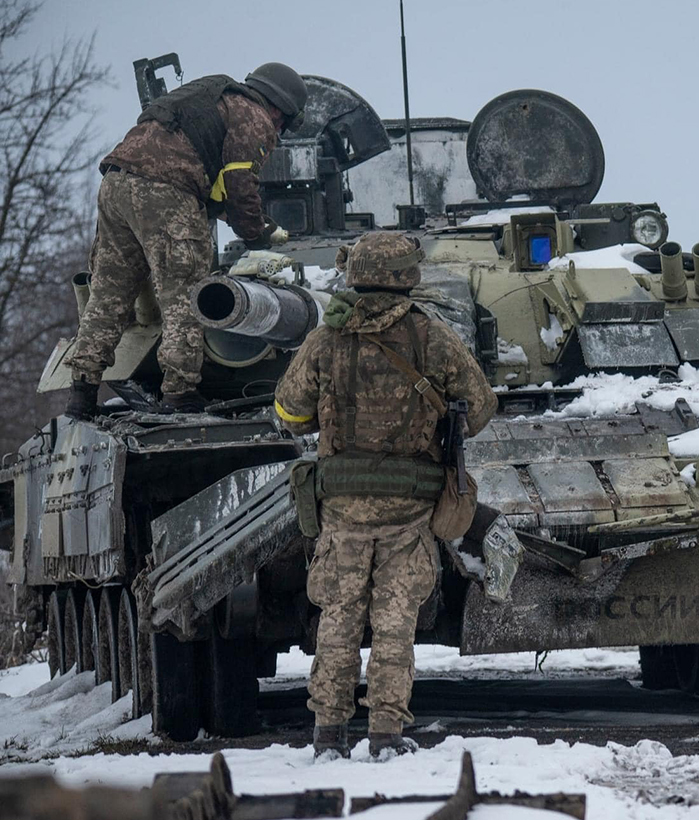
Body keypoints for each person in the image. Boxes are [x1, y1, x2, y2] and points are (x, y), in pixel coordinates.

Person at [274, 232, 497, 760]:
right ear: (407, 276)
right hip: (409, 506)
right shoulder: (429, 335)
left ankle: (328, 733)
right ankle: (385, 735)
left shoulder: (324, 340)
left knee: (339, 620)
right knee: (395, 626)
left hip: (342, 506)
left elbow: (289, 412)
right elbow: (482, 406)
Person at [65, 63, 308, 418]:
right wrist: (257, 232)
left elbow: (205, 182)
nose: (277, 130)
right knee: (184, 295)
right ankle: (179, 394)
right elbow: (241, 186)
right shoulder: (254, 116)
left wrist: (228, 214)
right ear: (277, 108)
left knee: (108, 296)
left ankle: (81, 394)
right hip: (166, 191)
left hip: (116, 183)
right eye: (282, 123)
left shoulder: (213, 98)